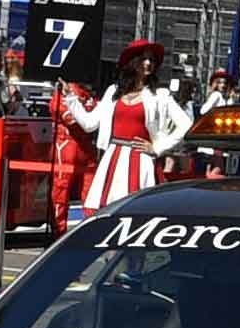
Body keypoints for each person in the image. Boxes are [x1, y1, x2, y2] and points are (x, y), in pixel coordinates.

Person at [79, 42, 192, 213]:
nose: (148, 63)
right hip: (112, 158)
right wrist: (70, 99)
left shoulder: (160, 95)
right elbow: (89, 124)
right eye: (143, 58)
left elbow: (186, 124)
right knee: (107, 213)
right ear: (132, 62)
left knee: (138, 212)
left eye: (151, 60)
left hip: (142, 160)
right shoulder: (113, 91)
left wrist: (158, 148)